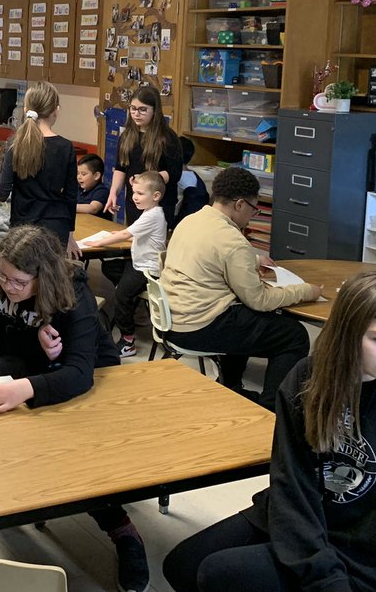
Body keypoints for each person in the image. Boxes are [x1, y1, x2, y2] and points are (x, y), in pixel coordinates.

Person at [162, 272, 376, 592]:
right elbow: (292, 481)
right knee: (180, 566)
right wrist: (319, 568)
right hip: (304, 518)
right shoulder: (308, 378)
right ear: (347, 334)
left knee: (218, 573)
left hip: (366, 547)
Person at [0, 225, 149, 592]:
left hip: (92, 376)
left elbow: (81, 374)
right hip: (30, 362)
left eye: (19, 282)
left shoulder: (74, 291)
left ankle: (121, 528)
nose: (8, 287)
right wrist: (33, 336)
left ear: (43, 276)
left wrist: (26, 387)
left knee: (79, 456)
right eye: (2, 276)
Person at [158, 166, 319, 410]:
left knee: (246, 315)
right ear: (240, 204)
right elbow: (259, 299)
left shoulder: (191, 220)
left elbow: (208, 256)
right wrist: (306, 291)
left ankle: (231, 388)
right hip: (199, 326)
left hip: (173, 318)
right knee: (293, 335)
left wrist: (252, 262)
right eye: (254, 209)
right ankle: (272, 408)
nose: (251, 216)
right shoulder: (232, 240)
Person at [0, 81, 81, 257]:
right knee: (50, 279)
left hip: (23, 227)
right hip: (56, 226)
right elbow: (71, 195)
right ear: (55, 111)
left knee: (26, 276)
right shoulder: (65, 147)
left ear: (26, 109)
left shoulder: (16, 144)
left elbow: (3, 191)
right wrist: (70, 233)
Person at [98, 171, 168, 358]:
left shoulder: (152, 215)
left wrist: (96, 243)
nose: (135, 197)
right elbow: (136, 236)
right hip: (137, 262)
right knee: (109, 267)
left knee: (121, 295)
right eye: (133, 192)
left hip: (146, 269)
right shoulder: (149, 211)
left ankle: (128, 341)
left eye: (140, 193)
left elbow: (125, 235)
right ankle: (132, 300)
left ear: (156, 196)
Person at [105, 84, 186, 230]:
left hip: (158, 204)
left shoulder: (167, 138)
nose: (136, 114)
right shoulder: (127, 136)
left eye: (143, 110)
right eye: (133, 108)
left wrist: (145, 180)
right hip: (134, 201)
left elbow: (174, 173)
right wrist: (113, 192)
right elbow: (121, 167)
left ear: (155, 111)